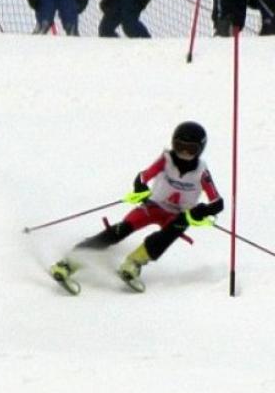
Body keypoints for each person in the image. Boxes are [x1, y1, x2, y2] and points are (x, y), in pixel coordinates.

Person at [49, 121, 225, 294]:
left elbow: (217, 203)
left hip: (179, 215)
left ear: (200, 149)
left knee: (170, 232)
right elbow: (143, 176)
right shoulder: (166, 160)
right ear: (173, 144)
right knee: (121, 229)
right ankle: (68, 263)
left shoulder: (201, 172)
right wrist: (140, 187)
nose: (184, 153)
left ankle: (134, 263)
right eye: (180, 147)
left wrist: (202, 210)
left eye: (191, 149)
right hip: (154, 205)